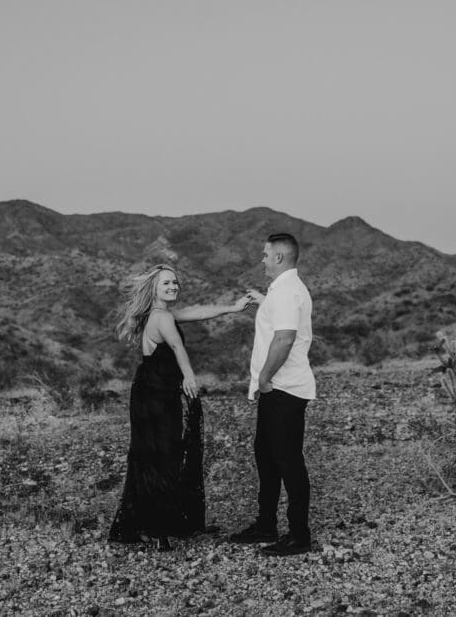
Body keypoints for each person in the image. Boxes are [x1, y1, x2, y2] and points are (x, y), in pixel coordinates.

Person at [109, 263, 253, 551]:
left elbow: (198, 311)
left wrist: (233, 309)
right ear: (154, 289)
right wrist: (189, 375)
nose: (173, 286)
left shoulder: (164, 314)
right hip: (154, 396)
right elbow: (177, 347)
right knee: (160, 456)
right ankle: (158, 528)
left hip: (156, 391)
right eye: (166, 284)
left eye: (174, 282)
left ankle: (154, 525)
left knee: (157, 454)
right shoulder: (161, 317)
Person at [229, 233, 316, 556]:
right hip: (278, 389)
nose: (262, 259)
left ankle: (299, 535)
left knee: (288, 460)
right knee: (266, 458)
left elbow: (285, 338)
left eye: (266, 254)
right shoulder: (283, 291)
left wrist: (264, 377)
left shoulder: (287, 291)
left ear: (279, 257)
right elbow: (283, 320)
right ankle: (266, 524)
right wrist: (263, 301)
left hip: (283, 389)